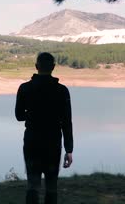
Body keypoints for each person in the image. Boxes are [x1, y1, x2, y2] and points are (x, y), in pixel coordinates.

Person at [15, 52, 73, 204]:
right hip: (53, 143)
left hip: (32, 141)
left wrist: (34, 115)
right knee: (51, 186)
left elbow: (19, 116)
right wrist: (69, 149)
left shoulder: (24, 88)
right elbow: (67, 122)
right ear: (53, 67)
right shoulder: (62, 91)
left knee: (33, 185)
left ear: (36, 66)